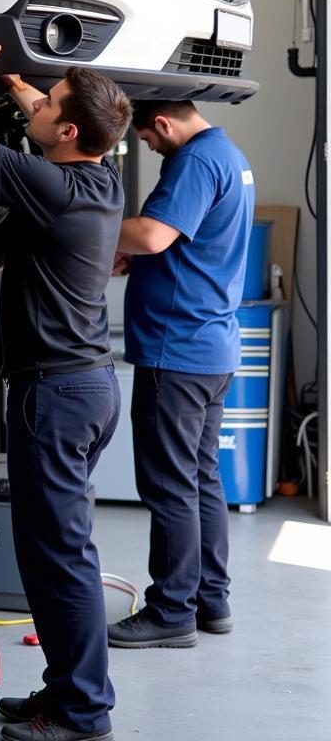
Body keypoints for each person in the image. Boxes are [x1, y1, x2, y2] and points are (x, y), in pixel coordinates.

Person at [0, 13, 132, 741]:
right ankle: (63, 691)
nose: (38, 107)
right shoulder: (100, 179)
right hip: (85, 388)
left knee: (60, 559)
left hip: (54, 393)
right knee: (57, 553)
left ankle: (83, 713)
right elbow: (57, 122)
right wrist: (22, 89)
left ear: (70, 135)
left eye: (49, 105)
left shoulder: (53, 187)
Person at [107, 100, 254, 649]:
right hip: (210, 347)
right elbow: (186, 243)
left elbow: (151, 234)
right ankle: (211, 601)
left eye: (146, 138)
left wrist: (102, 232)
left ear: (164, 124)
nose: (149, 147)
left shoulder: (195, 160)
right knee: (200, 477)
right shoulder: (229, 156)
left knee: (169, 484)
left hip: (178, 351)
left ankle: (171, 611)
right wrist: (139, 256)